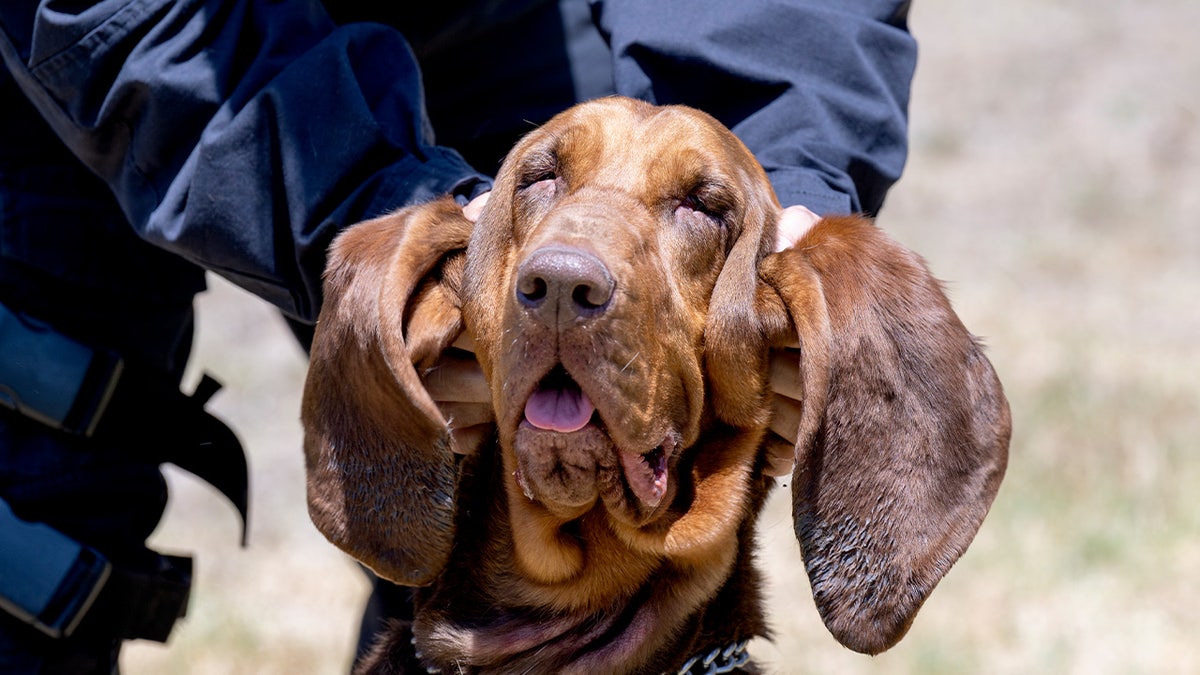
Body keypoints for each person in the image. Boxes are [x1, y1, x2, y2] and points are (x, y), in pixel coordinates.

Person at [0, 1, 917, 672]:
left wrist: (774, 189)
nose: (567, 270)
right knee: (31, 558)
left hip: (500, 24)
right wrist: (392, 224)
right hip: (115, 40)